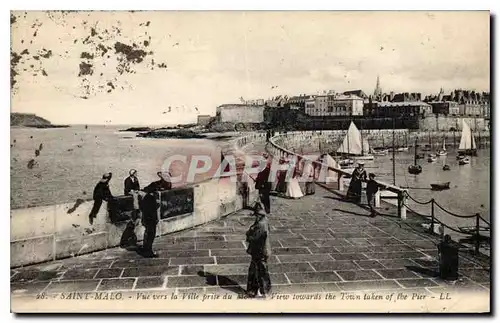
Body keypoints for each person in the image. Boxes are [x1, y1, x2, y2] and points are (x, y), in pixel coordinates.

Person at [246, 202, 272, 298]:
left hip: (259, 251)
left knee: (260, 271)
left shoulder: (261, 224)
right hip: (262, 250)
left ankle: (264, 292)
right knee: (256, 270)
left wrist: (249, 232)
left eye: (256, 215)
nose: (255, 217)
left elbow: (253, 237)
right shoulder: (264, 221)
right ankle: (254, 290)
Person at [140, 190, 160, 258]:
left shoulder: (145, 198)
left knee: (148, 234)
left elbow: (142, 208)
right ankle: (148, 252)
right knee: (151, 235)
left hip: (147, 219)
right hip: (151, 220)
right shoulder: (151, 198)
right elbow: (153, 210)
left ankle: (146, 249)